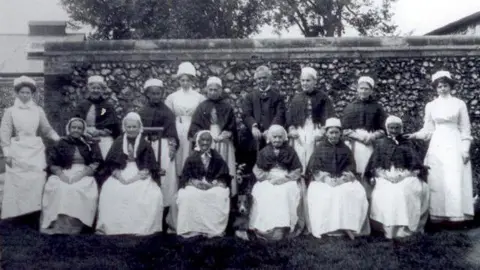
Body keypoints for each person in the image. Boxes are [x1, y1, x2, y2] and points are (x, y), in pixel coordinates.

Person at [405, 70, 474, 224]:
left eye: (445, 85)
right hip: (437, 143)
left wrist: (465, 148)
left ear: (450, 86)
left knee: (453, 177)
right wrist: (415, 135)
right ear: (436, 88)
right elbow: (428, 130)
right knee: (437, 177)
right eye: (439, 86)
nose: (442, 89)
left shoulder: (459, 104)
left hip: (454, 142)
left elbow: (465, 128)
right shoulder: (431, 105)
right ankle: (437, 214)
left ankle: (456, 214)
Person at [0, 76, 60, 219]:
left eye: (28, 93)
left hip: (35, 149)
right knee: (18, 181)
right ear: (17, 93)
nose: (25, 95)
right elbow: (5, 132)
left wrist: (58, 139)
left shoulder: (38, 110)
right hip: (18, 150)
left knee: (36, 179)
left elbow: (46, 129)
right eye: (22, 92)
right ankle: (16, 214)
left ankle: (34, 212)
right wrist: (7, 153)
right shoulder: (10, 111)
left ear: (32, 94)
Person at [96, 112, 163, 235]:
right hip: (121, 170)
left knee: (146, 192)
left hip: (140, 172)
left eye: (134, 127)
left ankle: (137, 227)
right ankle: (115, 227)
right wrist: (120, 177)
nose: (131, 130)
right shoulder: (118, 142)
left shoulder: (145, 144)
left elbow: (149, 165)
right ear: (124, 127)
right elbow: (111, 163)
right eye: (129, 127)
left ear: (139, 127)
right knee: (110, 189)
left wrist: (133, 179)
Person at [365, 115, 430, 239]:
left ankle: (405, 229)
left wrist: (403, 175)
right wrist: (386, 176)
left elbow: (416, 166)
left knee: (405, 191)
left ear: (401, 128)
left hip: (406, 174)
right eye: (391, 128)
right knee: (387, 192)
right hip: (385, 175)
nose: (394, 130)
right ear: (387, 128)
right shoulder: (381, 143)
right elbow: (374, 166)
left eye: (397, 128)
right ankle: (388, 230)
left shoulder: (408, 143)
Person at [306, 118, 370, 240]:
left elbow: (351, 166)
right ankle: (329, 227)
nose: (334, 135)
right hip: (324, 180)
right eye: (331, 132)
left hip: (342, 178)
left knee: (352, 192)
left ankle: (347, 226)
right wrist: (326, 179)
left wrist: (343, 178)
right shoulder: (320, 148)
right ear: (326, 133)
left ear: (340, 133)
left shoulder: (345, 149)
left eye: (336, 132)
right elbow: (314, 168)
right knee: (326, 194)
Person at [40, 118, 103, 234]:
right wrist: (61, 174)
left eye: (79, 128)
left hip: (84, 172)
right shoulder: (61, 142)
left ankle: (74, 227)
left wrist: (82, 174)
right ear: (69, 128)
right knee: (59, 187)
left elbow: (97, 161)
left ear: (83, 130)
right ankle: (57, 224)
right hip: (64, 171)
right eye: (74, 127)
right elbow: (52, 162)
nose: (76, 130)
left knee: (77, 189)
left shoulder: (89, 143)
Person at [249, 125, 302, 240]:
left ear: (284, 138)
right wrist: (269, 177)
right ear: (269, 138)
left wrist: (285, 178)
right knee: (264, 191)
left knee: (284, 192)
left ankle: (281, 228)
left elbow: (297, 170)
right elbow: (257, 170)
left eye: (280, 137)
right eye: (274, 137)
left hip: (286, 178)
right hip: (269, 178)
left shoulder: (290, 151)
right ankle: (266, 227)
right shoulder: (264, 151)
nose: (277, 139)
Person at [175, 130, 231, 238]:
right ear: (198, 141)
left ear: (211, 142)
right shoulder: (191, 158)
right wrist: (195, 182)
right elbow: (185, 177)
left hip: (213, 186)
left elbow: (224, 176)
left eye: (208, 140)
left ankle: (212, 229)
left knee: (219, 195)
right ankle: (192, 228)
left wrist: (214, 183)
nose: (205, 143)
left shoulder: (217, 158)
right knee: (187, 196)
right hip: (195, 186)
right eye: (203, 140)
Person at [138, 78, 179, 224]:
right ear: (147, 94)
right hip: (147, 146)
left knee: (166, 177)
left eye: (158, 93)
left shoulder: (167, 112)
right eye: (153, 93)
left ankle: (165, 214)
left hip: (164, 145)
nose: (156, 96)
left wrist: (172, 146)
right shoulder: (142, 112)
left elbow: (172, 132)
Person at [188, 76, 238, 195]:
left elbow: (232, 126)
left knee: (225, 166)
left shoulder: (227, 106)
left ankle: (226, 193)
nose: (213, 92)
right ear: (206, 90)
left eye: (216, 90)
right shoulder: (202, 107)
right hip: (206, 139)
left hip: (223, 140)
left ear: (220, 91)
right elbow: (195, 126)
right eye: (210, 90)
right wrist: (203, 135)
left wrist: (227, 133)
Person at [287, 67, 335, 171]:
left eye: (308, 80)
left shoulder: (323, 97)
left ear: (315, 81)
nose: (305, 83)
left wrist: (322, 131)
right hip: (300, 129)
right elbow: (290, 117)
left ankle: (312, 177)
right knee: (299, 154)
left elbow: (329, 116)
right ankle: (300, 177)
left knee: (313, 153)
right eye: (302, 80)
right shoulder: (297, 98)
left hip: (315, 128)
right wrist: (292, 129)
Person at [165, 62, 206, 175]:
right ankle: (177, 176)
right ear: (179, 81)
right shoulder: (172, 97)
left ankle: (190, 176)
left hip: (193, 127)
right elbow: (168, 116)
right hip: (177, 127)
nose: (185, 83)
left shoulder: (199, 97)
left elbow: (202, 116)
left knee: (190, 151)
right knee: (178, 151)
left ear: (192, 81)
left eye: (188, 80)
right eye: (182, 80)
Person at [341, 76, 387, 177]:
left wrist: (372, 137)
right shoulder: (350, 107)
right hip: (354, 142)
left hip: (371, 142)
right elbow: (344, 129)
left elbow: (383, 129)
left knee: (369, 169)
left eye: (366, 89)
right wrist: (358, 137)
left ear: (371, 91)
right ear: (357, 89)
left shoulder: (377, 107)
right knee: (355, 168)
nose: (363, 91)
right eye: (361, 88)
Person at [242, 66, 286, 168]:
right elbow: (246, 114)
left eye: (264, 78)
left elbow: (280, 114)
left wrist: (271, 130)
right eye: (259, 78)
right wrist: (253, 127)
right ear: (256, 80)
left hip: (271, 134)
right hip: (254, 135)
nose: (262, 80)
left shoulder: (277, 96)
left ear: (269, 78)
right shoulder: (250, 97)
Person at [74, 75, 121, 159]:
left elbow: (113, 125)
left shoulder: (107, 106)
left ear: (102, 90)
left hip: (103, 137)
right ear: (89, 89)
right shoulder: (82, 105)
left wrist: (100, 131)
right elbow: (75, 121)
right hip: (85, 135)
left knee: (106, 155)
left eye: (98, 88)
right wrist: (86, 131)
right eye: (93, 88)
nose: (95, 90)